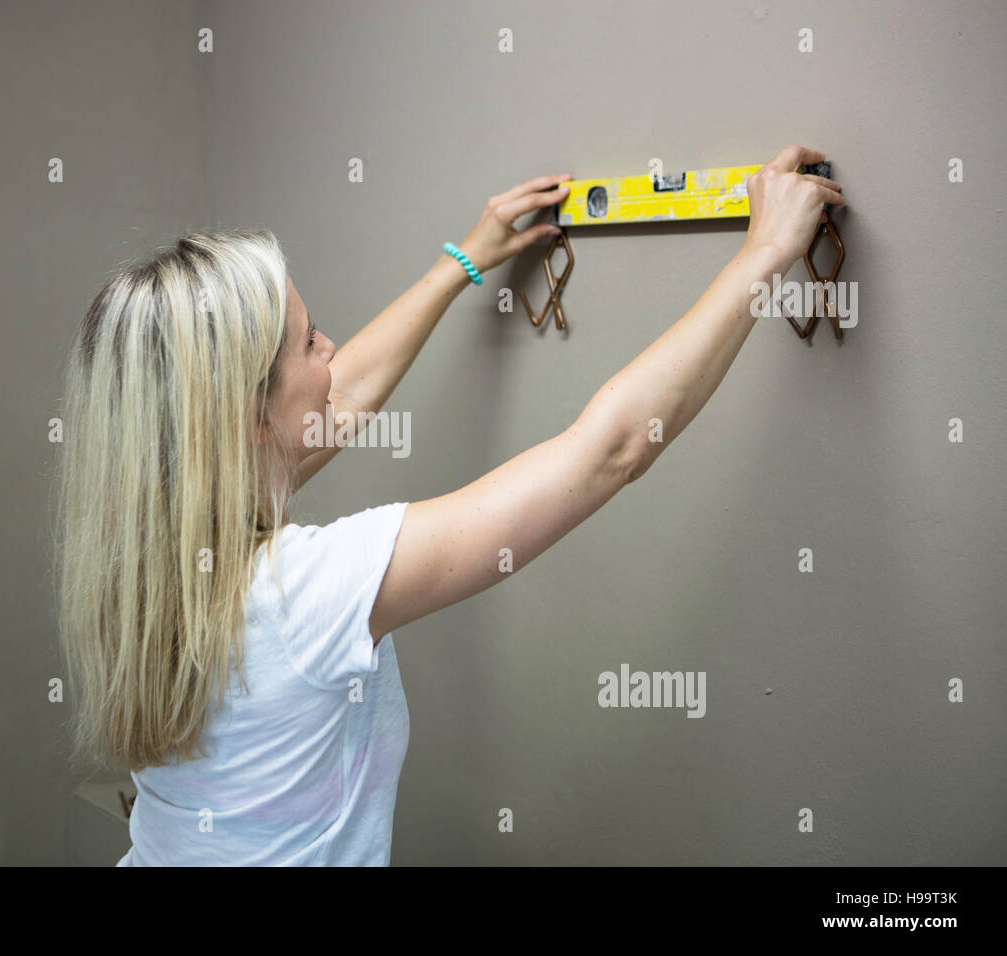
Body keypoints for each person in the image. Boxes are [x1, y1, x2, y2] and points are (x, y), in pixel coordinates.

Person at [54, 145, 845, 866]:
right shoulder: (306, 593)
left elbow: (343, 394)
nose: (329, 348)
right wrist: (766, 252)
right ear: (248, 416)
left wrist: (464, 261)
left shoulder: (143, 554)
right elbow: (609, 451)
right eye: (309, 339)